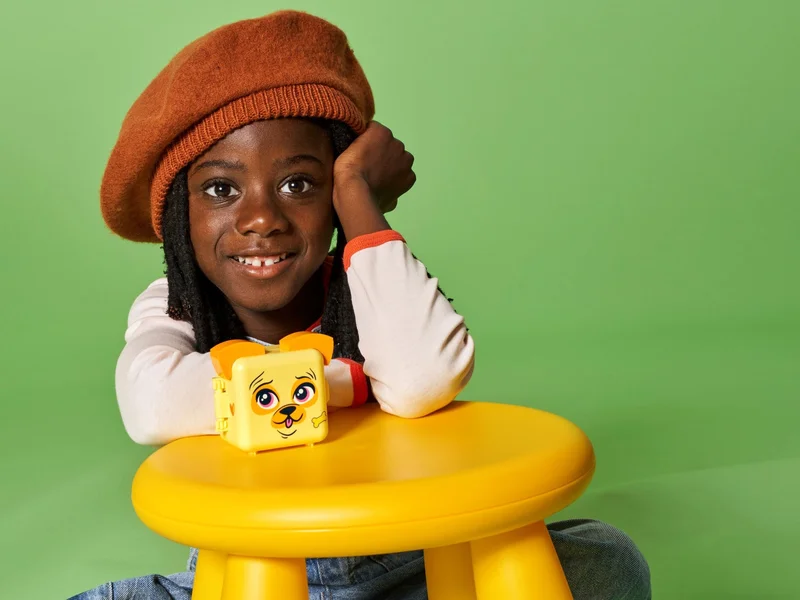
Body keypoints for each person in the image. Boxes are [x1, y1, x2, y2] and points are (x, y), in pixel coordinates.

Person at [72, 10, 651, 600]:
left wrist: (359, 198)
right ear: (178, 214)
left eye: (299, 184)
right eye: (221, 189)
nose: (262, 219)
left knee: (606, 558)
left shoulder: (370, 283)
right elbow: (151, 406)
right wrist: (349, 381)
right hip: (255, 573)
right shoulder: (175, 305)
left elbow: (423, 379)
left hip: (409, 559)